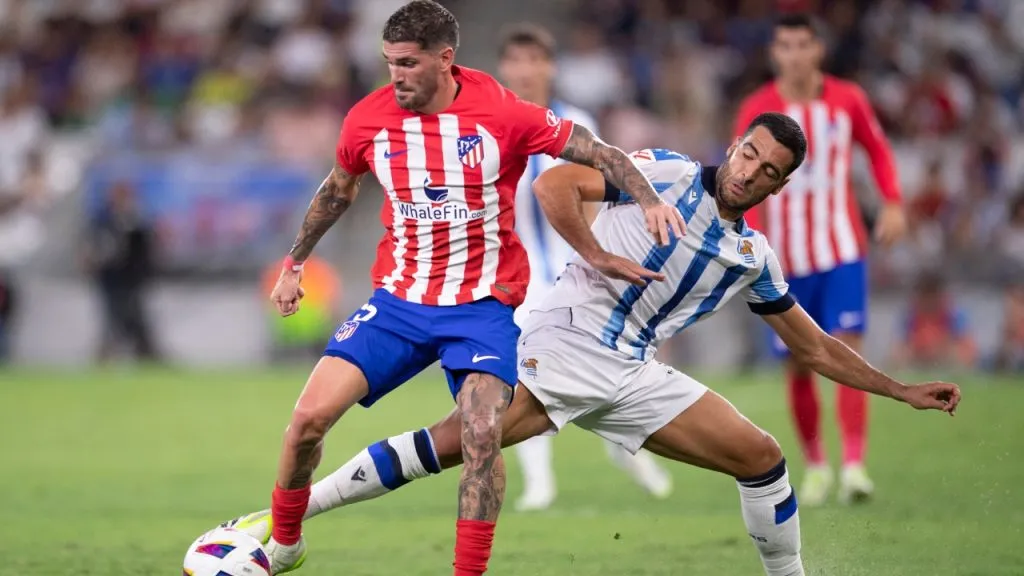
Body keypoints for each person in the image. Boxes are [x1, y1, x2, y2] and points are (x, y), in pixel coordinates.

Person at [221, 113, 960, 576]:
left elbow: (818, 347)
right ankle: (273, 525)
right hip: (567, 337)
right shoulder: (665, 173)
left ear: (781, 184)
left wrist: (899, 390)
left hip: (632, 372)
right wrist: (599, 253)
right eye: (749, 156)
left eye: (771, 172)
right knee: (451, 445)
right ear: (735, 146)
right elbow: (554, 190)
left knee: (763, 459)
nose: (753, 173)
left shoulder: (753, 257)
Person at [245, 2, 686, 575]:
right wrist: (295, 262)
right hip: (399, 303)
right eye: (389, 63)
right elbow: (338, 189)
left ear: (445, 59)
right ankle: (284, 545)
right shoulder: (367, 119)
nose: (396, 75)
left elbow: (598, 152)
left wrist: (649, 199)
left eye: (407, 63)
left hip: (480, 308)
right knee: (306, 421)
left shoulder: (504, 114)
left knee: (482, 431)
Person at [733, 14, 907, 506]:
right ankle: (815, 466)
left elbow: (877, 149)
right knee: (799, 365)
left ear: (817, 50)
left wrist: (892, 201)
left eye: (802, 44)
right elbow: (739, 172)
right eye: (784, 45)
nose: (793, 54)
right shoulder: (758, 107)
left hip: (841, 250)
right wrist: (748, 242)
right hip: (783, 257)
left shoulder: (847, 99)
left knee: (848, 348)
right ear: (775, 52)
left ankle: (853, 465)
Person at [497, 22, 672, 512]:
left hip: (572, 267)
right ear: (504, 67)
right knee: (524, 374)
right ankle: (540, 482)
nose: (526, 70)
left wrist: (593, 253)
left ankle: (628, 452)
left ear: (550, 67)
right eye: (516, 60)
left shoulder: (574, 122)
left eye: (535, 60)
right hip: (515, 276)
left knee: (604, 368)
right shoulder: (489, 124)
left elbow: (597, 189)